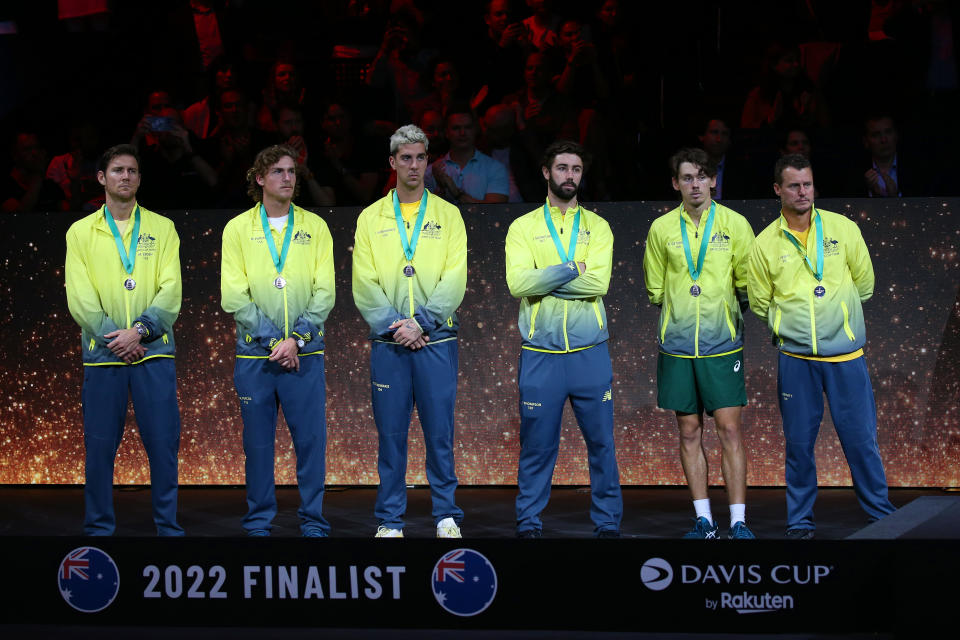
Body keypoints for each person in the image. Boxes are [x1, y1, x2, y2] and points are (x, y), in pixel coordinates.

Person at [747, 154, 896, 539]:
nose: (802, 192)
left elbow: (865, 284)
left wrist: (838, 322)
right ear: (778, 190)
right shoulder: (764, 244)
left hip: (846, 358)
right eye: (794, 186)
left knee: (862, 441)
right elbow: (761, 303)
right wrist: (791, 328)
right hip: (797, 360)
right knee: (799, 446)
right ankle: (800, 522)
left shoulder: (843, 229)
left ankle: (881, 513)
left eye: (808, 184)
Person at [352, 125, 467, 539]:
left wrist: (423, 323)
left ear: (427, 161)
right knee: (392, 436)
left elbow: (455, 278)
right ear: (393, 162)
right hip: (389, 343)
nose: (414, 166)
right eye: (406, 158)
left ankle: (446, 515)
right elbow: (363, 283)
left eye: (420, 158)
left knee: (440, 432)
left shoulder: (448, 215)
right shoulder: (371, 218)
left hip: (436, 339)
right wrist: (396, 326)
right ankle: (390, 520)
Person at [64, 143, 184, 536]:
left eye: (132, 171)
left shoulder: (162, 228)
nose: (126, 177)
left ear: (139, 179)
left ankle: (167, 528)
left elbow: (171, 291)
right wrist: (118, 339)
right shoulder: (80, 233)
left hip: (153, 352)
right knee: (99, 448)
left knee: (163, 446)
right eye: (117, 170)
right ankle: (99, 529)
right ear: (102, 178)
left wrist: (140, 332)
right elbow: (80, 298)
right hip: (104, 357)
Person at [506, 140, 622, 538]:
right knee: (537, 448)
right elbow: (519, 283)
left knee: (602, 447)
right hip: (541, 356)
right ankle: (529, 523)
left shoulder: (599, 227)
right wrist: (574, 268)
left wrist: (548, 277)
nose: (569, 176)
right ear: (546, 172)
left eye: (575, 169)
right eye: (562, 168)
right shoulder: (523, 228)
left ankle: (607, 524)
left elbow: (599, 282)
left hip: (590, 354)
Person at [221, 144, 335, 537]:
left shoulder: (315, 227)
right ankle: (258, 522)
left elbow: (325, 292)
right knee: (258, 447)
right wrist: (275, 341)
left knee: (310, 443)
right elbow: (233, 295)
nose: (288, 178)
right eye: (279, 172)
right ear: (259, 178)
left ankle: (314, 521)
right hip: (257, 356)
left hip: (305, 353)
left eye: (292, 171)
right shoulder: (237, 229)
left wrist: (297, 339)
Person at [642, 148, 756, 539]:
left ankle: (738, 522)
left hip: (721, 345)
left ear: (713, 180)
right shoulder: (661, 230)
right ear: (676, 182)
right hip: (676, 347)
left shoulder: (736, 224)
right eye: (687, 177)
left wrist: (721, 315)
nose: (696, 184)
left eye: (702, 176)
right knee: (688, 431)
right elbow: (655, 288)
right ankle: (704, 520)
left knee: (729, 430)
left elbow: (746, 284)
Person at [425, 105, 509, 204]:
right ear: (446, 132)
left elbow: (495, 211)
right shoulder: (430, 171)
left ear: (475, 130)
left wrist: (455, 191)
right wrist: (441, 188)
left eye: (468, 127)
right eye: (456, 128)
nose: (462, 133)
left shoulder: (495, 168)